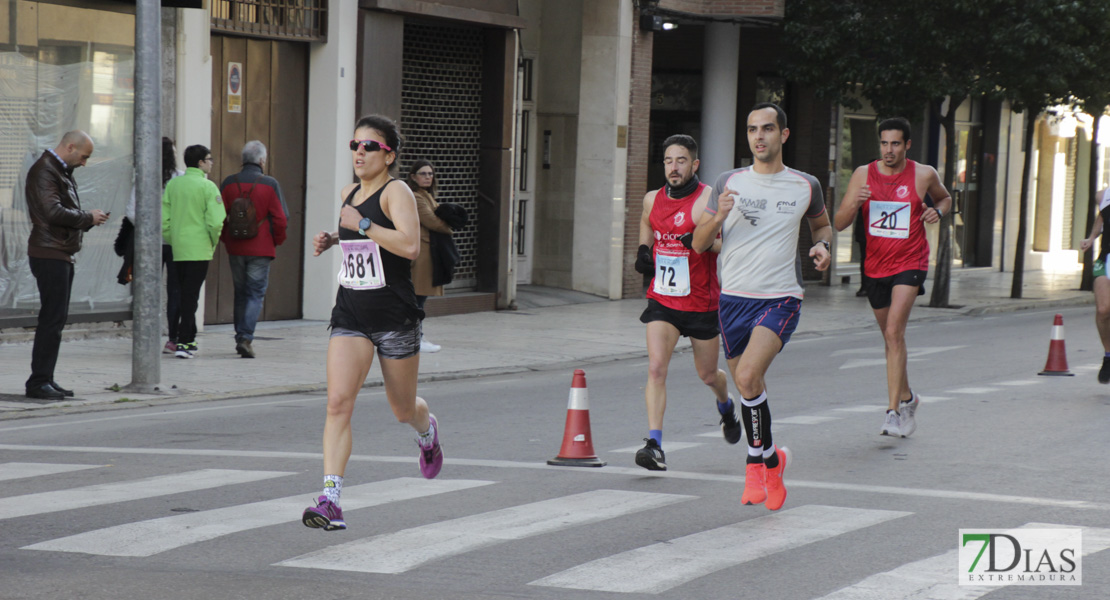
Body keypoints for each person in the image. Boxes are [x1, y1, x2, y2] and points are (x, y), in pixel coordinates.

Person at [302, 114, 442, 532]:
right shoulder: (349, 192)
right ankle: (330, 500)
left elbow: (410, 246)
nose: (359, 152)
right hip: (351, 313)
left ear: (389, 155)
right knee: (338, 403)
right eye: (355, 145)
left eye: (370, 146)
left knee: (403, 410)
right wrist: (335, 240)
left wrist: (360, 224)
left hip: (394, 315)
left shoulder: (397, 191)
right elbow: (362, 245)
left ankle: (427, 430)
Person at [691, 103, 833, 511]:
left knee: (750, 375)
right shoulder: (727, 182)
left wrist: (821, 246)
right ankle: (770, 459)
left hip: (781, 296)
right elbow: (699, 244)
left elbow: (820, 225)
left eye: (768, 129)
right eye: (752, 129)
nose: (759, 136)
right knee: (749, 388)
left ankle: (758, 466)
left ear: (783, 135)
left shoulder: (805, 185)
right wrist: (717, 215)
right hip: (734, 298)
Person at [833, 117, 951, 437]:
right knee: (890, 337)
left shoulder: (924, 174)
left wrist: (936, 212)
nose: (889, 150)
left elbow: (945, 198)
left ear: (907, 145)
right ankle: (909, 397)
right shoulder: (862, 174)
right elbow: (840, 223)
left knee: (895, 331)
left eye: (895, 143)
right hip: (874, 268)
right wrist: (855, 202)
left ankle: (892, 413)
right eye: (884, 143)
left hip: (910, 262)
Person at [631, 134, 737, 471]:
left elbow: (728, 244)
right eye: (668, 161)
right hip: (663, 299)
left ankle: (725, 404)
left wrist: (702, 241)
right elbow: (647, 222)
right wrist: (644, 250)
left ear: (694, 164)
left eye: (680, 161)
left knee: (708, 375)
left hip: (701, 302)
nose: (673, 168)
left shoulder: (708, 198)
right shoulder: (652, 199)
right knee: (656, 368)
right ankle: (654, 444)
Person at [23, 130, 109, 400]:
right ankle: (38, 382)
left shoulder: (58, 171)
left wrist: (87, 220)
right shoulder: (46, 170)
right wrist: (87, 217)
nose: (84, 163)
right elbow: (52, 211)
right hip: (49, 252)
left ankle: (45, 377)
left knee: (55, 319)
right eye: (83, 157)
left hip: (58, 250)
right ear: (70, 147)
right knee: (51, 319)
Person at [220, 140, 289, 359]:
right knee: (255, 294)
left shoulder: (229, 183)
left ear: (243, 160)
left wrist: (226, 239)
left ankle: (240, 334)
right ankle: (245, 337)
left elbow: (218, 216)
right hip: (261, 249)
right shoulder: (270, 184)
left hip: (236, 248)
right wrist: (276, 241)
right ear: (262, 160)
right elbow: (281, 218)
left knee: (241, 293)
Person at [161, 145, 226, 359]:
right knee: (191, 296)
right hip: (199, 249)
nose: (211, 162)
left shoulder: (173, 185)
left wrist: (174, 239)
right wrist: (212, 242)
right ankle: (185, 342)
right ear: (200, 162)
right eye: (209, 159)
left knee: (181, 294)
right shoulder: (208, 187)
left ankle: (185, 338)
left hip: (178, 248)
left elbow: (164, 220)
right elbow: (216, 222)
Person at [122, 137, 184, 352]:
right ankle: (173, 339)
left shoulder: (144, 179)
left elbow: (131, 212)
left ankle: (146, 337)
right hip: (176, 243)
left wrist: (150, 229)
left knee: (147, 290)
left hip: (150, 244)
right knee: (176, 291)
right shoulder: (181, 179)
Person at [405, 159, 452, 353]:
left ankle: (415, 337)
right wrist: (449, 225)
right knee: (416, 299)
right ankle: (416, 338)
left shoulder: (427, 196)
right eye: (423, 174)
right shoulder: (416, 197)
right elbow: (432, 221)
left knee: (419, 299)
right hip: (420, 255)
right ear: (413, 177)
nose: (427, 177)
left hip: (429, 252)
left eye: (430, 174)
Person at [1079, 189, 1110, 383]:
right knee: (1103, 309)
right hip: (1106, 259)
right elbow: (1102, 216)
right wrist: (1091, 238)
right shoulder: (1103, 195)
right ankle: (1108, 356)